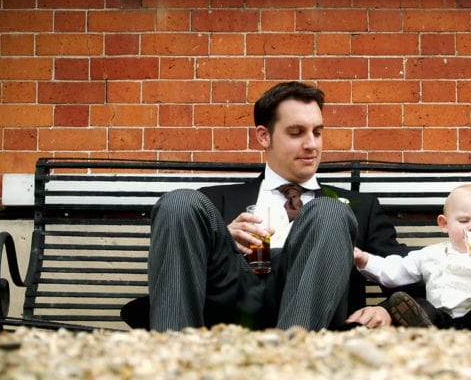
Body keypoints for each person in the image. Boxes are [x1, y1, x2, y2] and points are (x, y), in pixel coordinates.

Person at [143, 81, 410, 332]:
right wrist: (219, 238)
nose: (311, 145)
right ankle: (173, 354)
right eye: (296, 133)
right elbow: (180, 268)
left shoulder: (360, 208)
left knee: (330, 212)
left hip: (309, 311)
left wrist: (388, 310)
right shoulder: (212, 202)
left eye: (317, 132)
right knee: (179, 201)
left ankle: (291, 355)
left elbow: (412, 271)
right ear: (264, 136)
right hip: (228, 299)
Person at [353, 184, 471, 329]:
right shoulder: (430, 254)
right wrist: (365, 260)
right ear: (445, 224)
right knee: (421, 305)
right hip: (439, 320)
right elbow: (396, 271)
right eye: (464, 221)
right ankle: (419, 323)